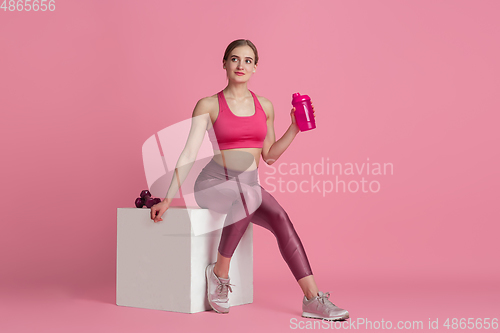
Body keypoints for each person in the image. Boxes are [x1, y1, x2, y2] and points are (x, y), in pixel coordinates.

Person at [150, 39, 349, 321]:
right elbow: (188, 153)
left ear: (255, 67)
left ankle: (312, 299)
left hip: (247, 188)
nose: (240, 65)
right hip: (213, 184)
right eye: (234, 59)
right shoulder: (208, 104)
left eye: (247, 60)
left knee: (280, 217)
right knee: (250, 194)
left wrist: (294, 128)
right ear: (224, 63)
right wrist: (169, 197)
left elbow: (269, 155)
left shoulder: (264, 106)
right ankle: (219, 273)